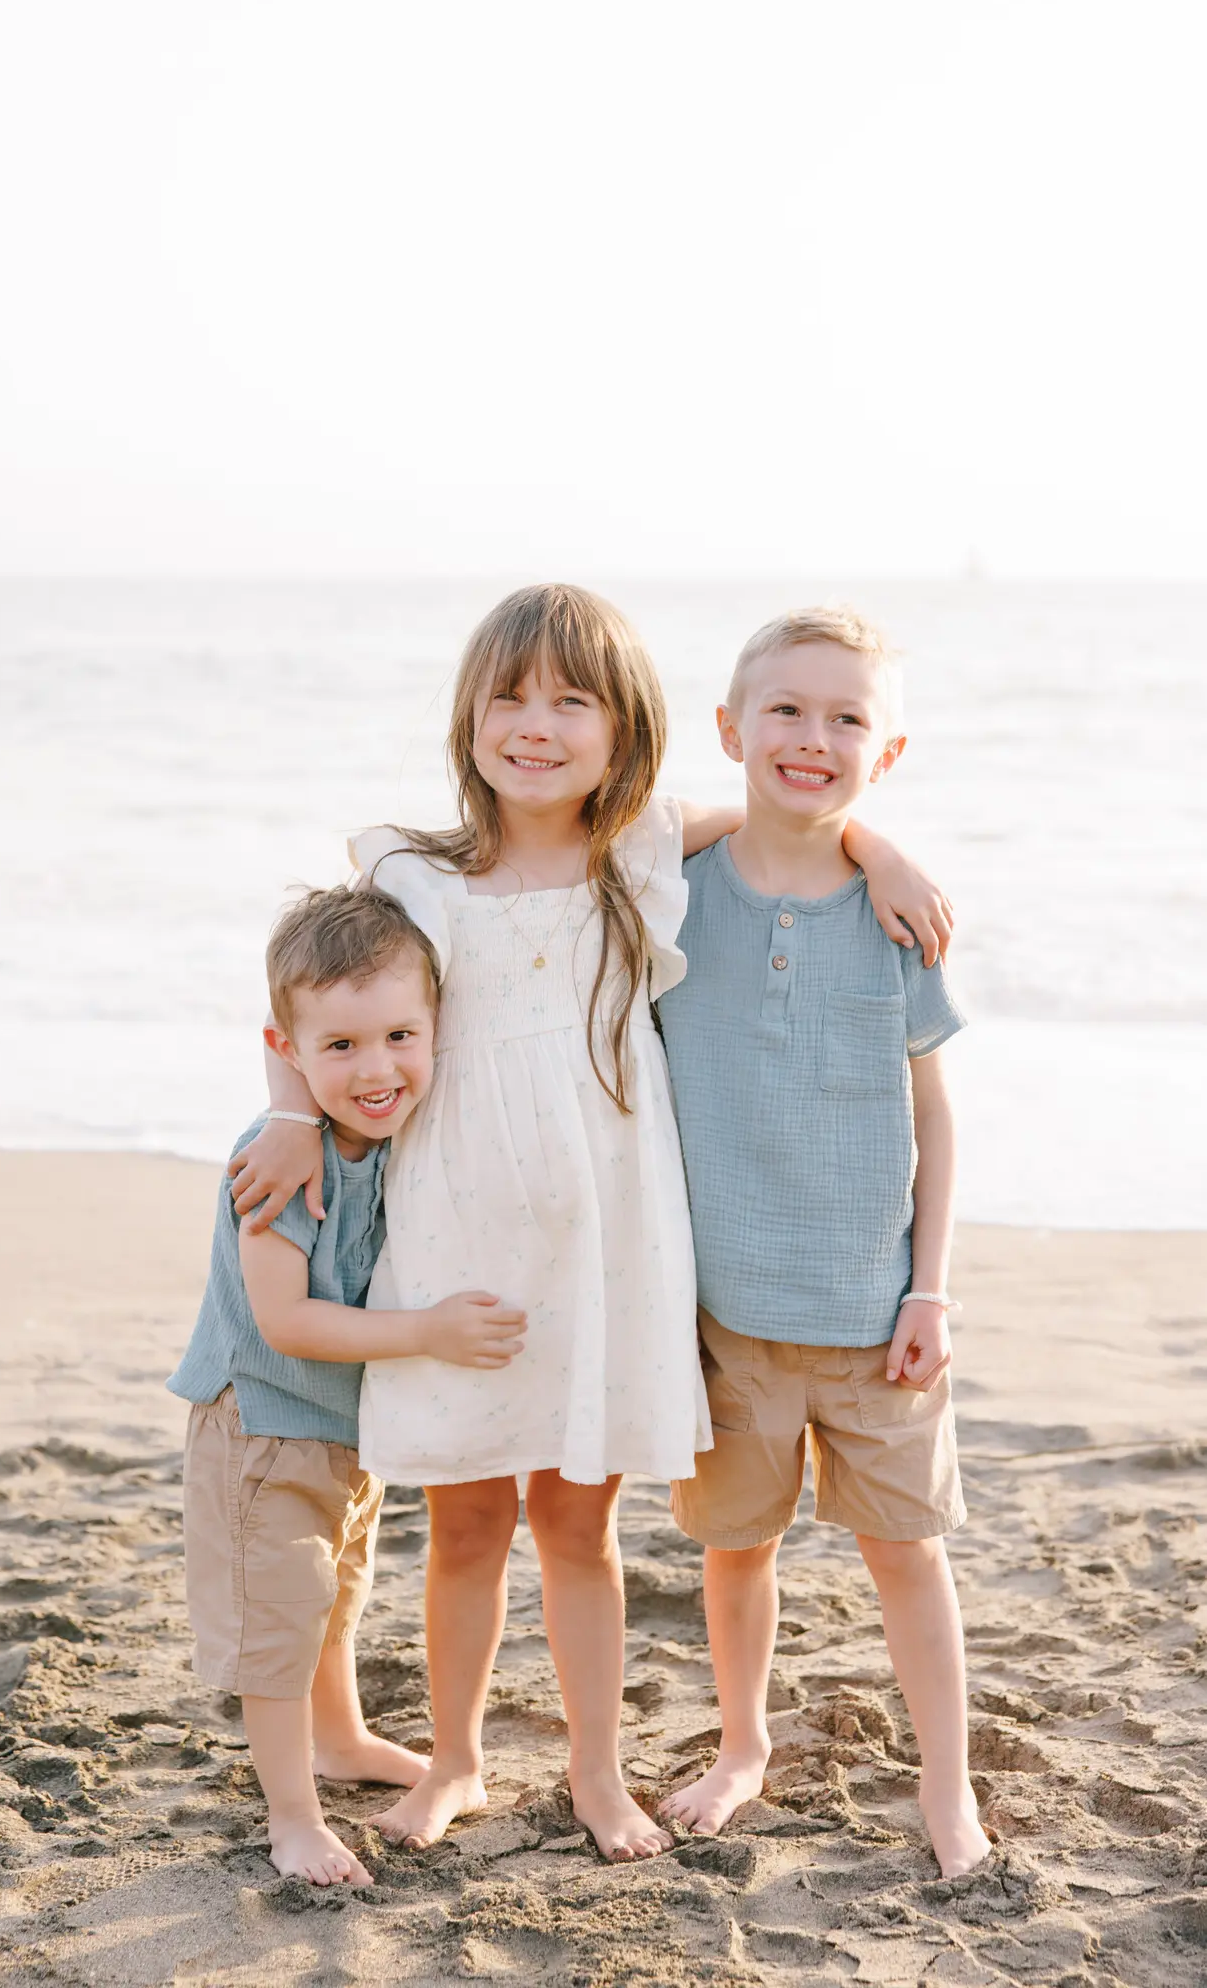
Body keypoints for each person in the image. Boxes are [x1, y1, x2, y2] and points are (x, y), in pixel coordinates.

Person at [231, 585, 951, 1862]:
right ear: (470, 717)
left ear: (624, 728)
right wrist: (290, 1107)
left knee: (577, 1522)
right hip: (459, 1235)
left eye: (573, 699)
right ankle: (454, 1760)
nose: (537, 723)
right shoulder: (412, 873)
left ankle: (594, 1771)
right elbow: (309, 988)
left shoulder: (642, 854)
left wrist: (879, 848)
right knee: (463, 1523)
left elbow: (792, 813)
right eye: (509, 695)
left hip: (613, 1243)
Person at [655, 606, 990, 1878]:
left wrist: (931, 1288)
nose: (813, 736)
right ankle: (742, 1743)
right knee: (734, 1548)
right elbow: (594, 838)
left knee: (908, 1554)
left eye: (848, 717)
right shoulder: (675, 897)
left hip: (875, 1314)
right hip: (727, 1314)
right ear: (732, 729)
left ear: (885, 750)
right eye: (784, 710)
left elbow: (931, 1110)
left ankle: (945, 1788)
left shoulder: (896, 919)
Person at [167, 885, 525, 1888]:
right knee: (278, 1621)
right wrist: (428, 1333)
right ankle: (291, 1812)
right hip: (261, 1424)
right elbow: (285, 1318)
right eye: (340, 1048)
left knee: (334, 1598)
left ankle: (343, 1739)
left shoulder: (389, 1131)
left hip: (340, 1429)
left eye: (399, 1036)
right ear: (289, 1048)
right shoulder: (278, 1158)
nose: (376, 1069)